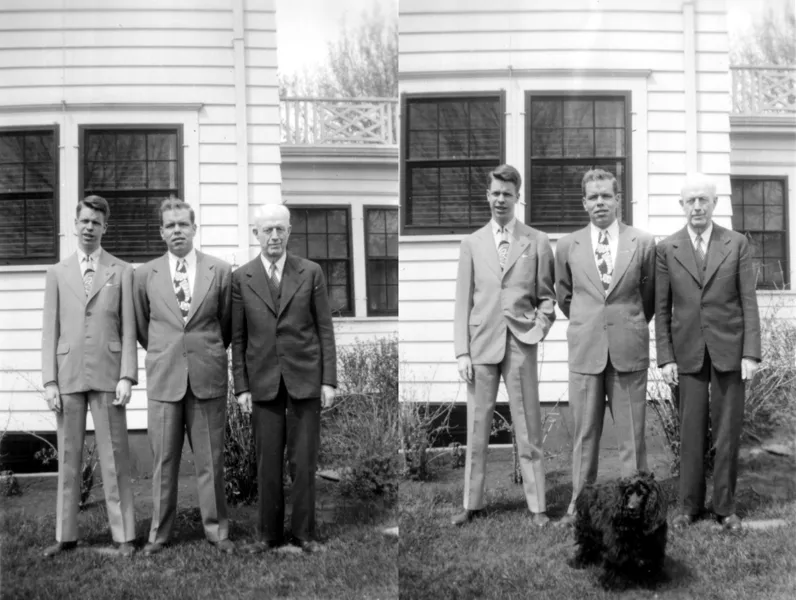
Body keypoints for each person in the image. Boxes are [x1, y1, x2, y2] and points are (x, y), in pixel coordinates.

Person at [452, 164, 556, 527]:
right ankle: (472, 503)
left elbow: (547, 297)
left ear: (517, 197)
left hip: (520, 343)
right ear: (487, 195)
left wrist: (538, 329)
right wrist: (461, 351)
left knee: (528, 425)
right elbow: (463, 301)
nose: (500, 199)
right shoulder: (472, 243)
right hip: (481, 344)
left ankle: (538, 507)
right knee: (477, 426)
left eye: (507, 194)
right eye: (495, 193)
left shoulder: (536, 241)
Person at [655, 173, 761, 531]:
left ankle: (725, 506)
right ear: (681, 206)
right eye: (690, 201)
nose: (697, 206)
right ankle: (689, 506)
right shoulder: (667, 248)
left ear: (715, 204)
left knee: (727, 432)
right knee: (691, 432)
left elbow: (749, 301)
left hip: (730, 350)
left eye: (703, 200)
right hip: (687, 353)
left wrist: (751, 353)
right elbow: (662, 307)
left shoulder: (736, 244)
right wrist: (665, 356)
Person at [231, 203, 337, 553]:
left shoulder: (310, 272)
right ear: (255, 234)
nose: (274, 235)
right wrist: (241, 386)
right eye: (267, 230)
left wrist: (329, 381)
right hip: (263, 384)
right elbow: (239, 338)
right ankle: (268, 535)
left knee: (304, 464)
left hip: (305, 380)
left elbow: (324, 329)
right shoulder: (241, 278)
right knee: (268, 465)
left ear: (289, 232)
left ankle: (304, 533)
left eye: (280, 229)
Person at [554, 169, 656, 528]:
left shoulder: (642, 242)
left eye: (606, 196)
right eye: (592, 197)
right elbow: (565, 296)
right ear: (584, 203)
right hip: (586, 350)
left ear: (617, 200)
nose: (600, 202)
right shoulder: (568, 245)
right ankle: (579, 507)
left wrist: (624, 323)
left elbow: (649, 296)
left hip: (628, 349)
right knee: (584, 433)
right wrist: (589, 322)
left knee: (632, 436)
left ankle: (638, 508)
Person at [132, 198, 234, 555]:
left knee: (211, 460)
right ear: (161, 232)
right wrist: (168, 351)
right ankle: (159, 535)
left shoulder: (219, 271)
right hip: (164, 378)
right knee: (163, 462)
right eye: (170, 225)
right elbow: (143, 327)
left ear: (194, 228)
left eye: (182, 224)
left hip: (207, 376)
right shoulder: (144, 275)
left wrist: (200, 350)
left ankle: (217, 531)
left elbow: (226, 324)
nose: (177, 230)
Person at [41, 195, 138, 557]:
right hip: (67, 375)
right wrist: (49, 381)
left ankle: (124, 535)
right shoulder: (57, 273)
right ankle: (65, 536)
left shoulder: (122, 271)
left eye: (96, 222)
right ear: (75, 223)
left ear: (105, 228)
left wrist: (127, 375)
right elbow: (49, 331)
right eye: (84, 221)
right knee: (68, 456)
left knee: (115, 455)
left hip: (109, 375)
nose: (89, 227)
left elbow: (128, 329)